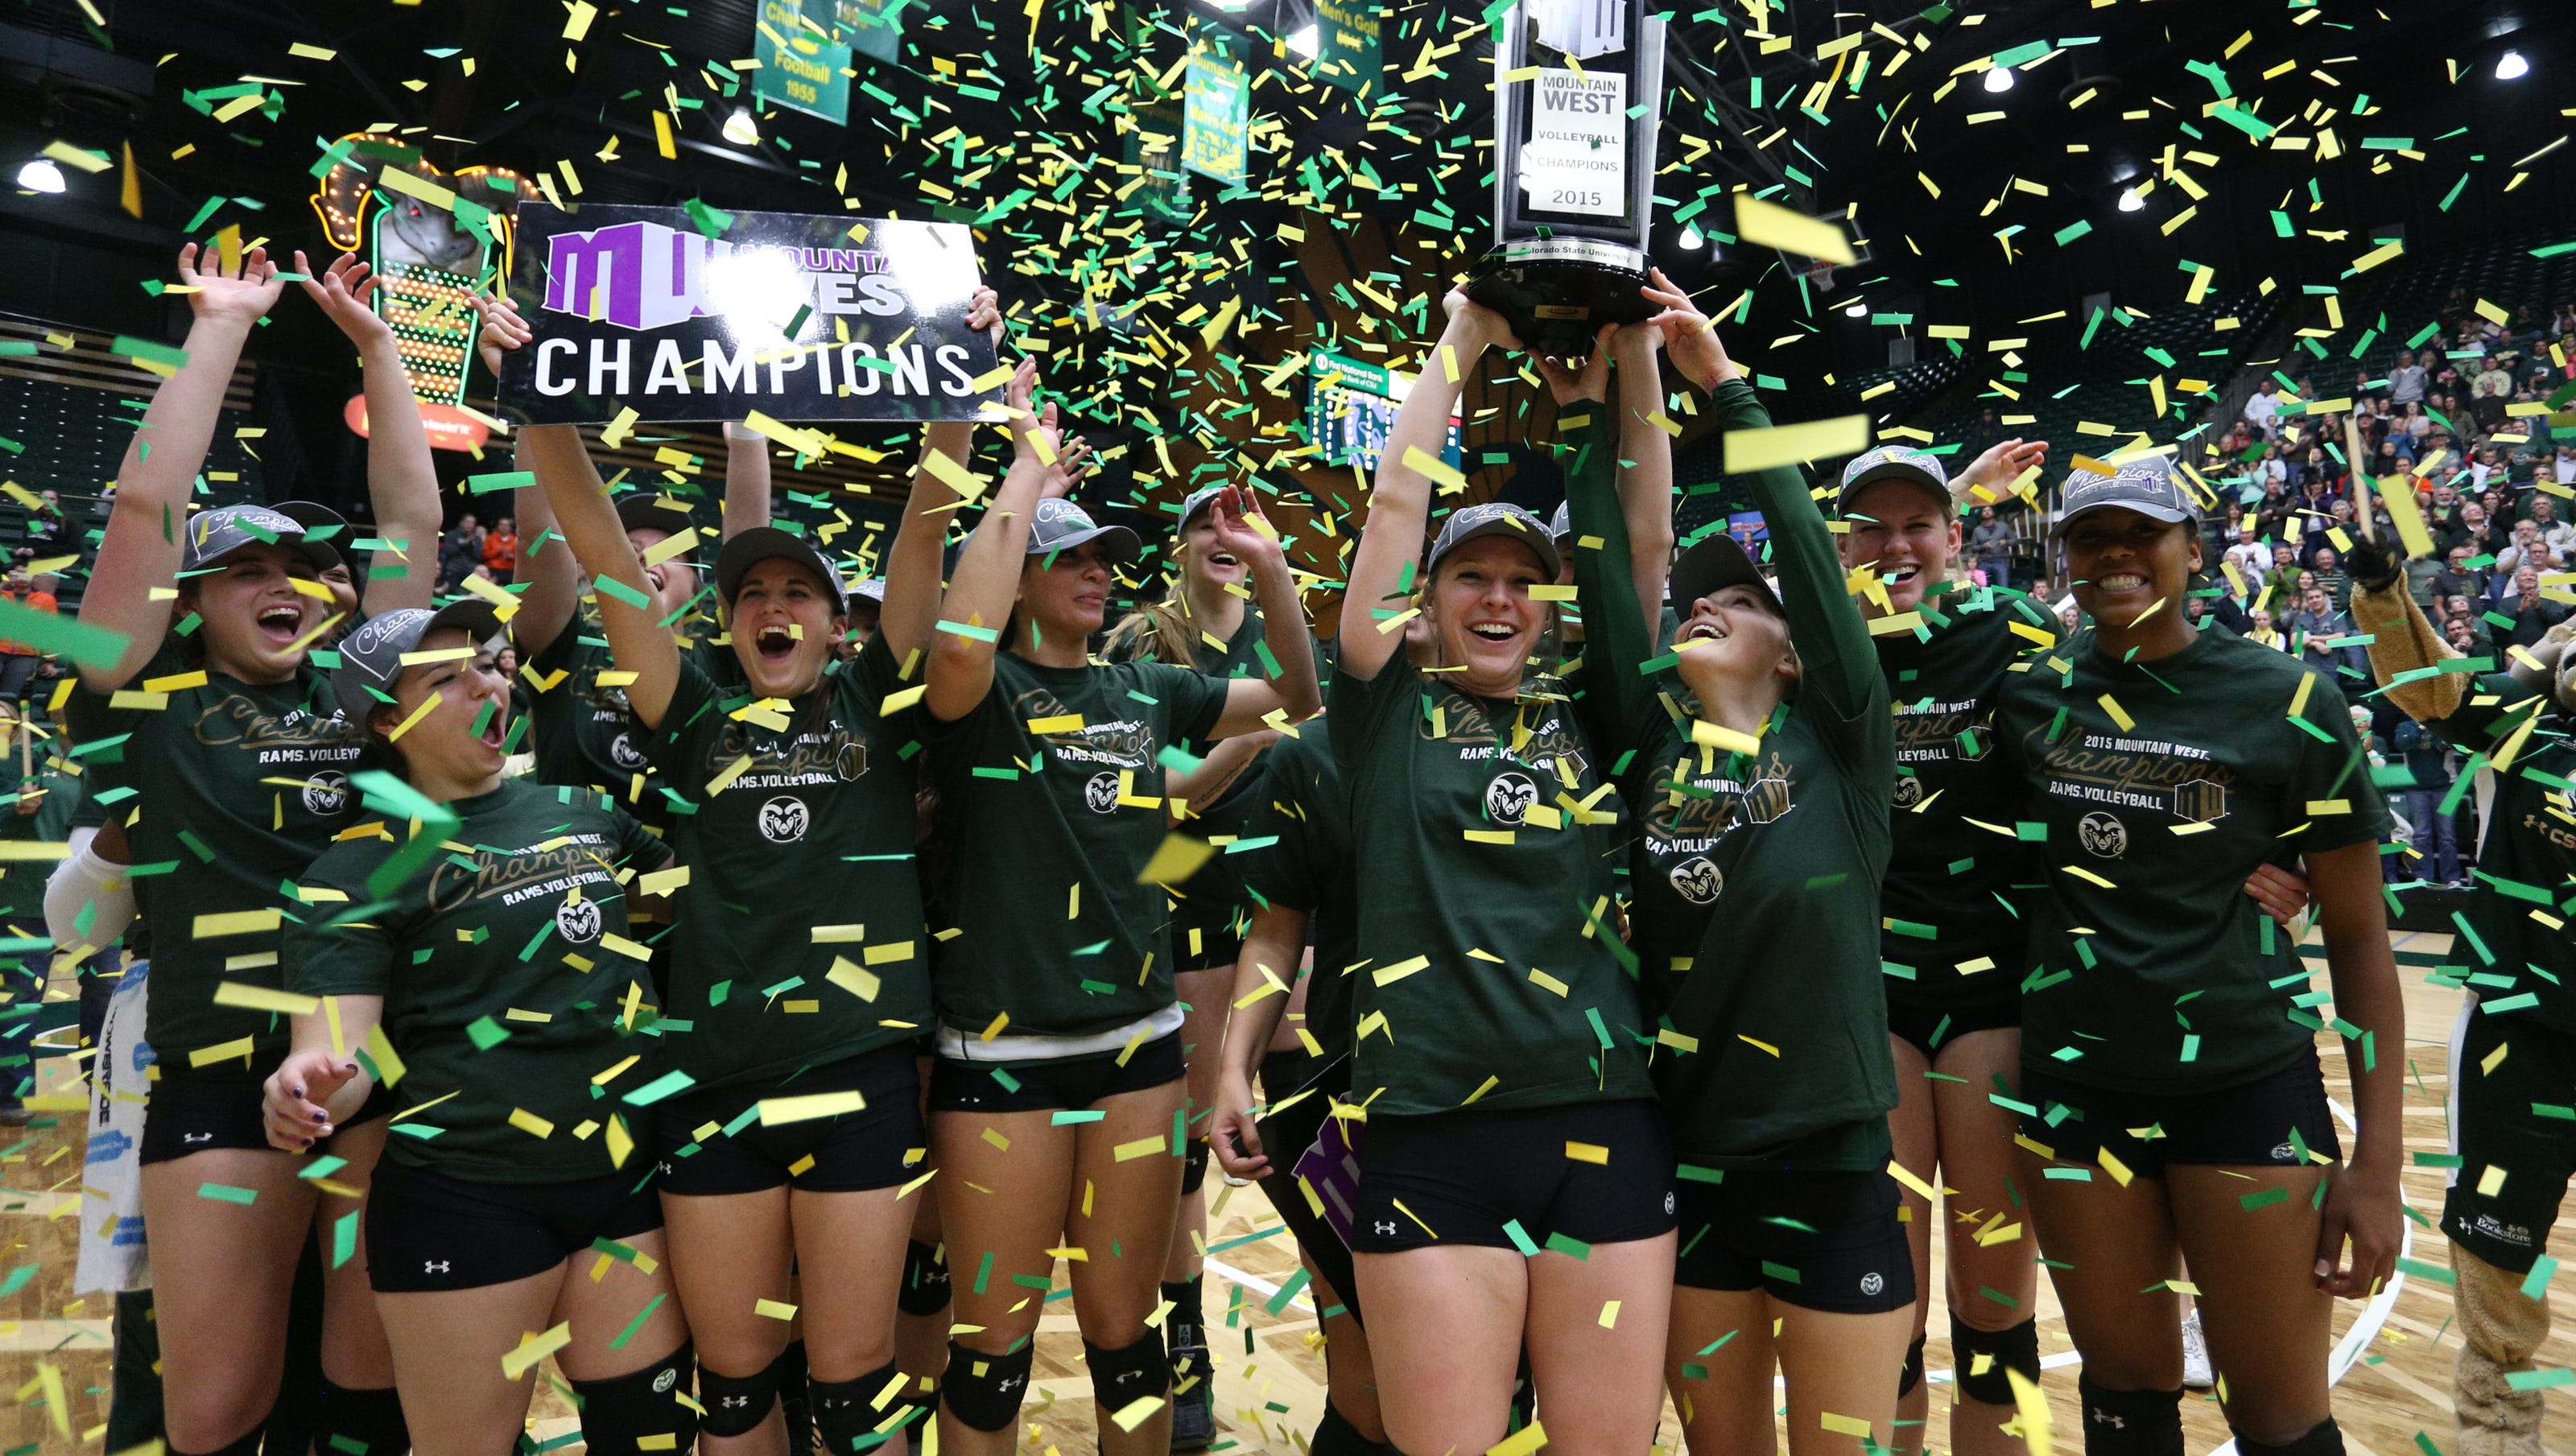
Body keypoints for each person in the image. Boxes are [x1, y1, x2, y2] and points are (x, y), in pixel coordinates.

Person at [525, 280, 993, 1450]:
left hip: (857, 1079)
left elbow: (924, 529)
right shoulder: (691, 717)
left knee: (851, 1381)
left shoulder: (878, 707)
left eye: (797, 593)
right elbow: (602, 550)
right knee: (734, 1384)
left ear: (836, 624)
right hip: (712, 1082)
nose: (772, 608)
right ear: (728, 626)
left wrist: (959, 395)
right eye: (751, 596)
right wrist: (538, 399)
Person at [62, 244, 443, 1456]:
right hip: (221, 1078)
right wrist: (223, 323)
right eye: (246, 572)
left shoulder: (363, 689)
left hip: (371, 1068)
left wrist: (379, 349)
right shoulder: (143, 698)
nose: (289, 587)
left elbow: (410, 518)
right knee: (218, 1410)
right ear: (187, 600)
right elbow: (143, 511)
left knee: (363, 1396)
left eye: (301, 570)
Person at [919, 356, 1318, 1456]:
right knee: (993, 1354)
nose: (1097, 571)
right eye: (1071, 557)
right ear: (1017, 580)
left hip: (1138, 1050)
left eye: (1104, 557)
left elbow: (1297, 694)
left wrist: (1273, 570)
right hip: (1003, 1054)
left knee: (1127, 1339)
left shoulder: (1144, 687)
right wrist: (1022, 473)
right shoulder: (978, 693)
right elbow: (956, 635)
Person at [1997, 458, 2404, 1456]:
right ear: (2063, 558)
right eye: (2090, 538)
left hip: (2242, 1079)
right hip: (2075, 1090)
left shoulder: (2286, 697)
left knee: (2277, 1416)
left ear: (2191, 548)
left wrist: (2377, 1166)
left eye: (2142, 533)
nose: (2116, 555)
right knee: (2123, 1395)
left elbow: (2358, 937)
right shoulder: (2027, 696)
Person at [1323, 294, 1672, 1456]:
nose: (1499, 598)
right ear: (1425, 602)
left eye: (1524, 580)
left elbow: (1645, 545)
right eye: (1470, 576)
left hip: (1604, 1124)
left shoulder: (1597, 712)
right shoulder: (1383, 713)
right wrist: (1463, 340)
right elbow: (1393, 503)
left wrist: (1638, 364)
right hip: (1429, 1131)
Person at [1571, 285, 1906, 1454]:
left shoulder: (1842, 743)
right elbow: (1605, 568)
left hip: (1831, 1160)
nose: (1705, 603)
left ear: (1796, 652)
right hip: (1692, 1156)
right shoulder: (1647, 748)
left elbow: (1808, 554)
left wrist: (1724, 384)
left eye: (1740, 601)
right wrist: (1594, 407)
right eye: (1696, 599)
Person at [261, 601, 697, 1450]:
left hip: (623, 1180)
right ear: (385, 719)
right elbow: (337, 1052)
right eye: (446, 678)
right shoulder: (351, 871)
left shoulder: (583, 808)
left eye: (492, 666)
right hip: (468, 1197)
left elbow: (698, 903)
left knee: (648, 1439)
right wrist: (306, 1087)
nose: (486, 686)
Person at [2346, 538, 2576, 1456]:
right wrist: (2380, 593)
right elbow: (2429, 689)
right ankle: (2497, 1427)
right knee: (2496, 1240)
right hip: (2521, 1025)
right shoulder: (2526, 729)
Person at [1101, 481, 1305, 1444]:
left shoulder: (1278, 634)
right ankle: (1182, 1342)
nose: (1224, 537)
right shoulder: (1143, 640)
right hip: (1177, 878)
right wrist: (1253, 740)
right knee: (1186, 1134)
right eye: (1204, 524)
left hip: (1282, 895)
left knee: (1294, 1110)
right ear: (1180, 546)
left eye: (1242, 524)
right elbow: (1160, 801)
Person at [0, 562, 57, 699]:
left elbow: (50, 632)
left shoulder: (46, 600)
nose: (23, 577)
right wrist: (4, 583)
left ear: (35, 577)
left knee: (9, 696)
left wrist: (49, 661)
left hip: (25, 655)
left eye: (28, 574)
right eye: (19, 573)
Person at [1968, 505, 2015, 590]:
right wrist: (1983, 546)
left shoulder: (2003, 526)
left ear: (1993, 512)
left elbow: (2014, 540)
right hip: (1984, 562)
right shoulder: (1977, 530)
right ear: (1982, 514)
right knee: (1982, 588)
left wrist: (2006, 542)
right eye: (1984, 511)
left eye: (1989, 510)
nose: (1987, 512)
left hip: (2000, 560)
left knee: (2003, 587)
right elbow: (1973, 547)